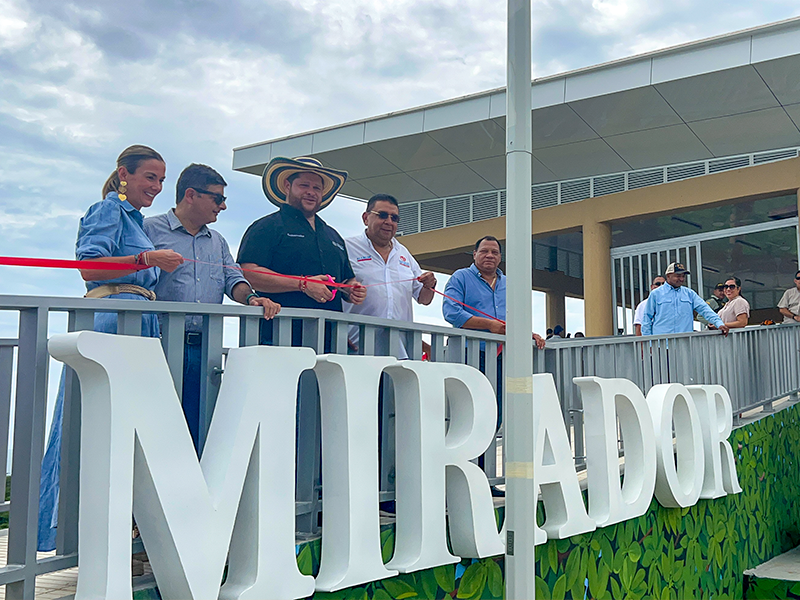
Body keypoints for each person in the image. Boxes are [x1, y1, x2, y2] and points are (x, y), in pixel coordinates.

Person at [38, 145, 184, 552]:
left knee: (125, 426)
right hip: (114, 318)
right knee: (96, 421)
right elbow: (90, 268)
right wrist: (147, 257)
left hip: (137, 321)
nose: (156, 187)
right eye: (149, 177)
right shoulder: (106, 210)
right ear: (124, 174)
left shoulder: (131, 219)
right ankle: (72, 527)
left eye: (161, 180)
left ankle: (116, 524)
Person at [144, 163, 281, 451]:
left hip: (204, 348)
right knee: (156, 426)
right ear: (191, 195)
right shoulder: (149, 229)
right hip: (158, 345)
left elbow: (233, 279)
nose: (223, 206)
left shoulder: (217, 241)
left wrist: (251, 298)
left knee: (200, 426)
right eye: (218, 199)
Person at [237, 157, 366, 347]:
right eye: (304, 185)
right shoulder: (266, 227)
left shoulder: (333, 236)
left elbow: (346, 280)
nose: (311, 192)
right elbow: (248, 273)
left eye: (316, 188)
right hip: (278, 337)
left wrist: (352, 289)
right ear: (287, 186)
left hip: (330, 339)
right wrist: (303, 284)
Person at [342, 193, 436, 358]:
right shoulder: (346, 247)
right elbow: (330, 290)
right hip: (356, 346)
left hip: (399, 348)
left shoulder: (404, 253)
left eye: (394, 218)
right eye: (382, 215)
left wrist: (430, 285)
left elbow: (424, 299)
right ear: (366, 218)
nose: (389, 222)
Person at [442, 235, 546, 348]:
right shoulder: (460, 277)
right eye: (484, 251)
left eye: (495, 252)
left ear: (500, 257)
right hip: (468, 350)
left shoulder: (510, 283)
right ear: (474, 254)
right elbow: (451, 313)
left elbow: (518, 320)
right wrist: (489, 324)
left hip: (506, 352)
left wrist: (528, 335)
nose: (490, 255)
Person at [641, 262, 729, 336]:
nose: (681, 279)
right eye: (678, 276)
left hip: (684, 344)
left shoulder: (689, 294)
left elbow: (705, 309)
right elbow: (647, 318)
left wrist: (719, 323)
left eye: (683, 276)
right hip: (662, 344)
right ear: (668, 276)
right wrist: (648, 341)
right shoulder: (656, 294)